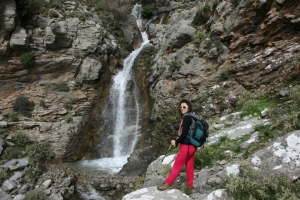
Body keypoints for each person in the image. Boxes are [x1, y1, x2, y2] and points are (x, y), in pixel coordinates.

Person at [157, 99, 199, 191]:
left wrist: (176, 142)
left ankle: (168, 183)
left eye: (184, 107)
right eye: (181, 107)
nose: (182, 109)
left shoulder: (187, 118)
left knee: (177, 166)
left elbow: (184, 134)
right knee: (189, 166)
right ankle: (189, 186)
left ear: (189, 107)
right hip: (192, 147)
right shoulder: (194, 117)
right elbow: (188, 133)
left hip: (186, 147)